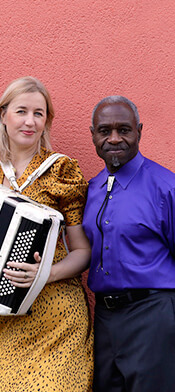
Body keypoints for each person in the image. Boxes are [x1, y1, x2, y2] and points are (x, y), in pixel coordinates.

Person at [0, 77, 93, 391]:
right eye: (21, 111)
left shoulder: (61, 170)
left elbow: (83, 251)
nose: (30, 121)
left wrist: (44, 274)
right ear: (3, 116)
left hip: (57, 319)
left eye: (39, 113)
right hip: (0, 317)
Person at [83, 96, 175, 392]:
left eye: (124, 129)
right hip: (106, 319)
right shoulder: (94, 187)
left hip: (153, 316)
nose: (114, 138)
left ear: (139, 131)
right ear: (93, 134)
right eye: (104, 130)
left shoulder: (166, 187)